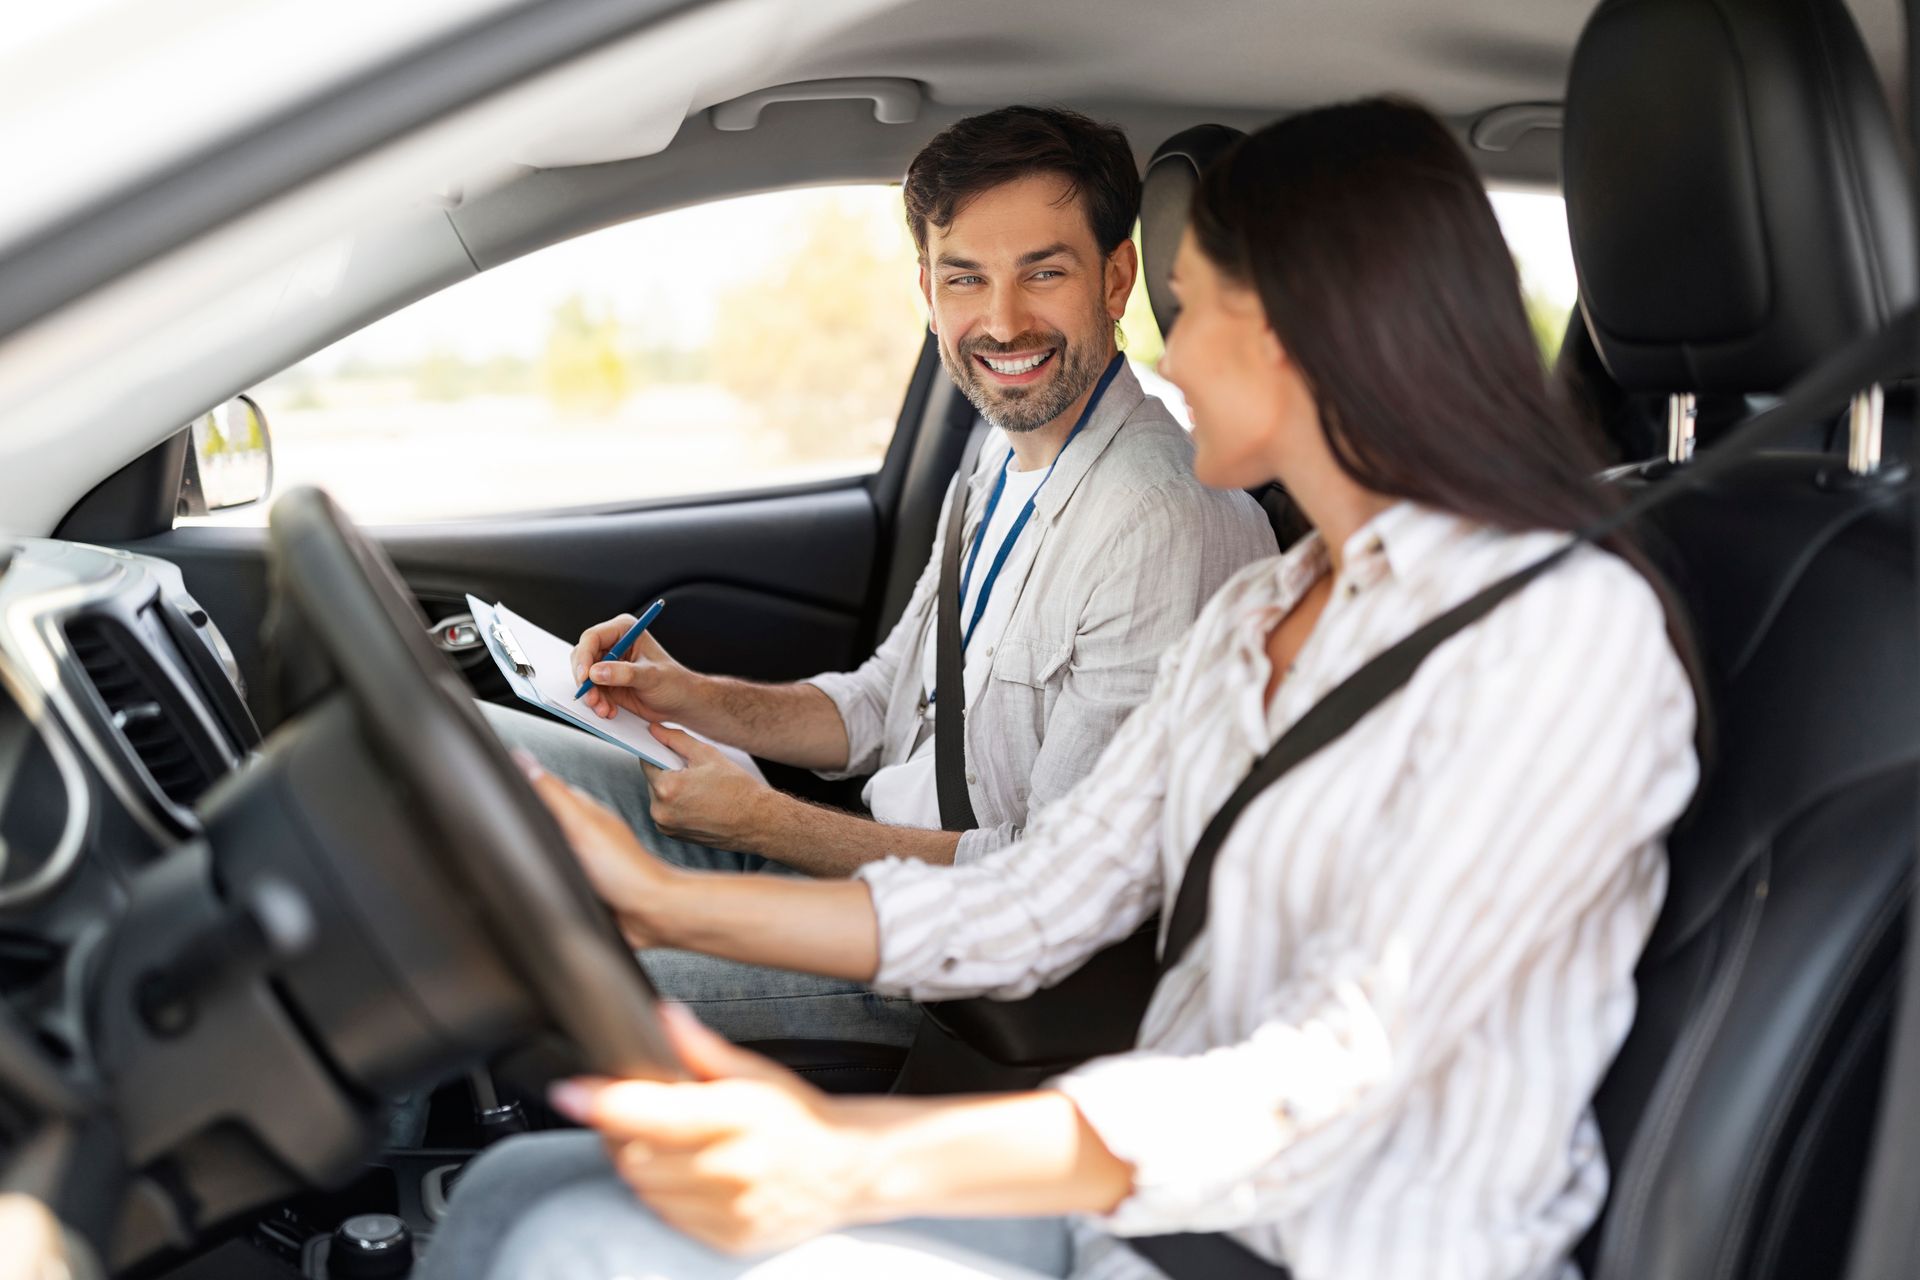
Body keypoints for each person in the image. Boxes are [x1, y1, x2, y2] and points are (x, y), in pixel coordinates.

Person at [429, 97, 1700, 1280]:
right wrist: (661, 900)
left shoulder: (1563, 635)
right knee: (522, 1194)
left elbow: (1321, 1077)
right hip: (1141, 1204)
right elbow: (1044, 891)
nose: (1173, 356)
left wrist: (849, 1155)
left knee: (566, 1240)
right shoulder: (1276, 603)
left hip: (1314, 1248)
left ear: (1305, 323)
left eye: (1189, 309)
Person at [485, 105, 1276, 1048]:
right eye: (965, 279)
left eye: (1044, 272)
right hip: (866, 882)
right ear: (928, 290)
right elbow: (874, 707)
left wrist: (768, 825)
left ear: (1116, 279)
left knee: (534, 974)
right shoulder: (998, 456)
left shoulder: (1158, 517)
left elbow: (1049, 881)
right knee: (493, 761)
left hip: (957, 985)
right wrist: (689, 697)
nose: (1003, 320)